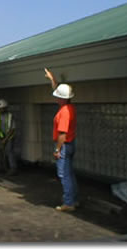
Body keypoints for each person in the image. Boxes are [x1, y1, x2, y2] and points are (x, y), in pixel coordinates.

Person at [44, 68, 78, 212]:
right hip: (70, 144)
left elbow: (62, 134)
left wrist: (57, 150)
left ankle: (68, 203)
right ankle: (73, 200)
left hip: (64, 145)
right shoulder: (69, 107)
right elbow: (58, 92)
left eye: (58, 97)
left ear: (63, 98)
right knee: (69, 174)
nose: (56, 98)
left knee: (64, 175)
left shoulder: (64, 112)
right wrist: (52, 80)